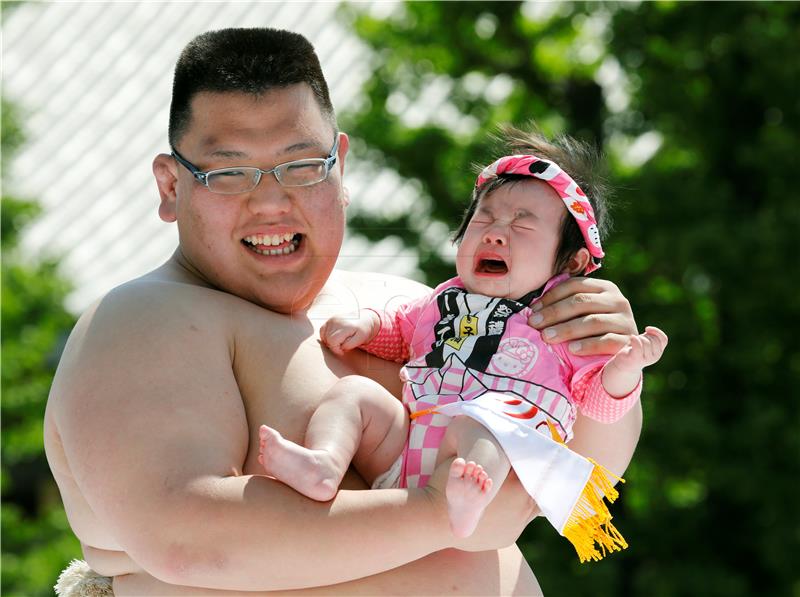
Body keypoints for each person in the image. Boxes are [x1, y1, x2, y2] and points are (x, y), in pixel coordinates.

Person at [45, 28, 644, 596]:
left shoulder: (411, 305)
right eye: (231, 173)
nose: (272, 202)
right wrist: (442, 513)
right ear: (172, 186)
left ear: (341, 166)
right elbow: (189, 537)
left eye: (301, 167)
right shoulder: (141, 321)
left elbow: (578, 484)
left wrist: (608, 366)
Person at [258, 127, 667, 560]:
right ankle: (325, 462)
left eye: (522, 224)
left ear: (571, 261)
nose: (494, 233)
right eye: (484, 219)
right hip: (406, 451)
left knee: (479, 424)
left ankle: (463, 503)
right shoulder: (443, 299)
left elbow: (597, 402)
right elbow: (403, 332)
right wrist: (367, 327)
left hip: (485, 478)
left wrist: (624, 371)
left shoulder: (563, 322)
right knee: (354, 395)